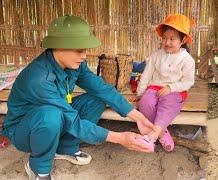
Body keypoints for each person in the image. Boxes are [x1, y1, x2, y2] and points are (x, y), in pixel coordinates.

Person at [2, 15, 155, 180]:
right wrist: (120, 138)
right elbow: (72, 120)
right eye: (79, 50)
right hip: (25, 131)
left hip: (56, 116)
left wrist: (137, 116)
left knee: (95, 99)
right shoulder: (39, 78)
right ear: (58, 46)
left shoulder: (75, 64)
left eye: (85, 50)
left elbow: (101, 88)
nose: (84, 56)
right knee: (50, 116)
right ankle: (38, 168)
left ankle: (65, 148)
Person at [136, 14, 195, 152]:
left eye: (172, 39)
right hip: (154, 87)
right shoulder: (156, 56)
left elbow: (188, 82)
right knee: (145, 103)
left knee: (168, 105)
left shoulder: (187, 60)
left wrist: (171, 87)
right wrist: (140, 92)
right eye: (164, 38)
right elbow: (146, 75)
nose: (167, 42)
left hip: (175, 91)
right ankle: (162, 132)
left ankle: (153, 136)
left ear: (183, 40)